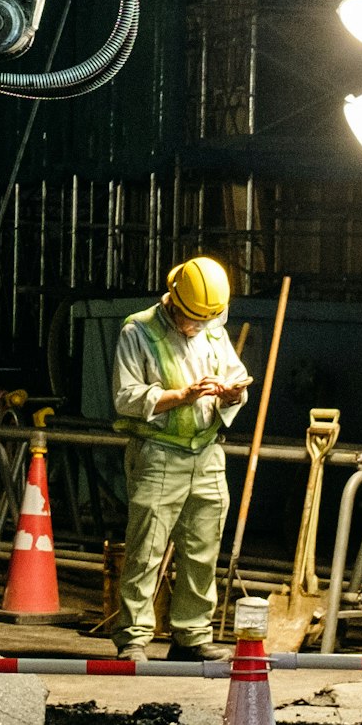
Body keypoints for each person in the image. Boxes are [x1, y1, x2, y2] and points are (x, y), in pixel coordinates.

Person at [109, 254, 251, 660]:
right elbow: (125, 397)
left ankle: (191, 637)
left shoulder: (211, 328)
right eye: (191, 319)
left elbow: (235, 377)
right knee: (146, 549)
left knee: (202, 549)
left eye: (204, 320)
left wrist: (233, 392)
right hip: (158, 454)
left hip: (207, 452)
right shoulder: (138, 331)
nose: (197, 327)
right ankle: (133, 638)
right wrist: (181, 396)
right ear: (173, 300)